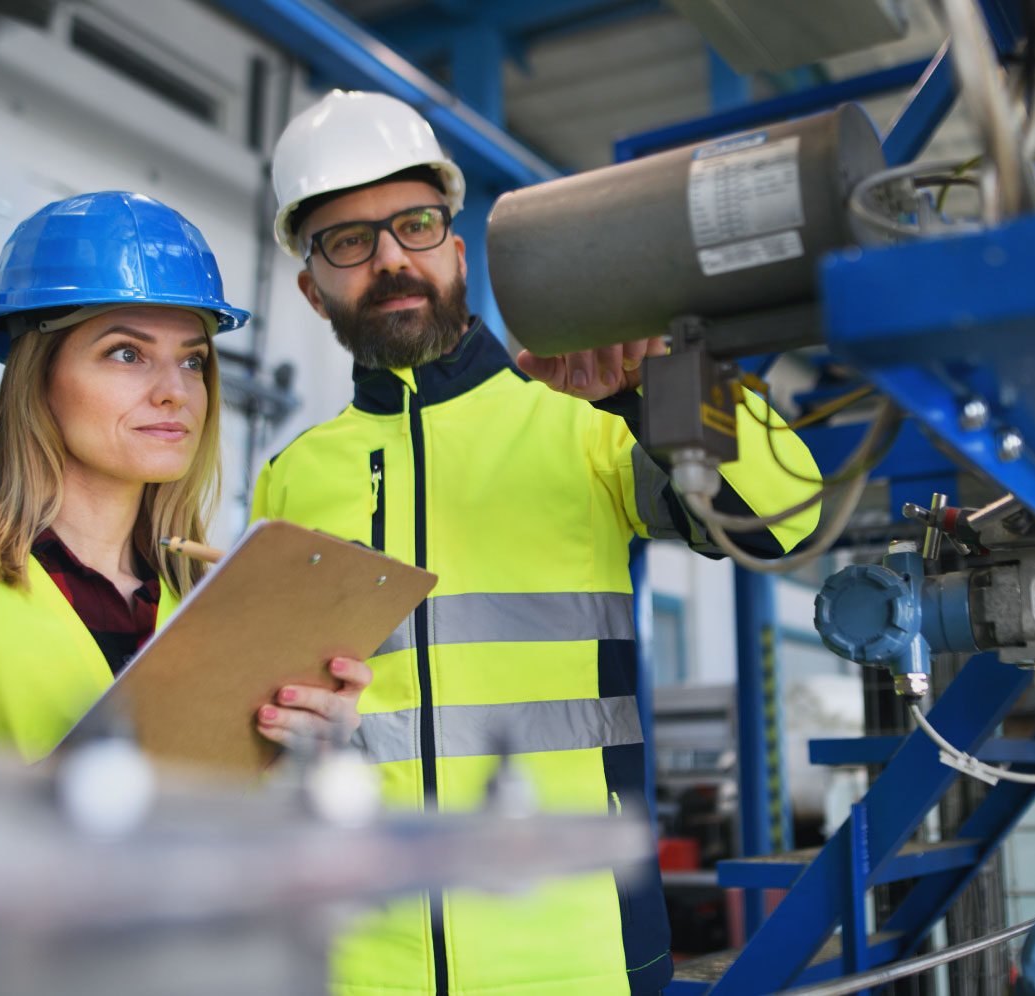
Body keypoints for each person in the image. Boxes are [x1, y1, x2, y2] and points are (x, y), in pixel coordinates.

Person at [255, 90, 824, 995]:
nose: (392, 258)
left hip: (576, 945)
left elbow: (786, 513)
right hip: (363, 960)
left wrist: (659, 385)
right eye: (350, 241)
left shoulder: (581, 419)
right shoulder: (292, 477)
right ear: (310, 284)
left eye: (415, 224)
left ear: (456, 245)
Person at [0, 191, 368, 761]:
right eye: (126, 353)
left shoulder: (213, 609)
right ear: (38, 376)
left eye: (191, 360)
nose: (175, 393)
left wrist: (296, 758)